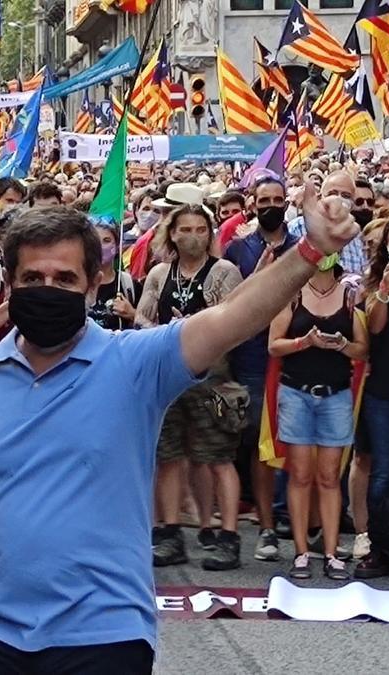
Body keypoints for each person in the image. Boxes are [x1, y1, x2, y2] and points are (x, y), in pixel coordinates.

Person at [0, 188, 360, 673]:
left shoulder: (135, 362)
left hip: (106, 633)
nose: (48, 287)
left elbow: (231, 318)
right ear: (11, 285)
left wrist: (311, 250)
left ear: (93, 285)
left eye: (65, 278)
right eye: (33, 277)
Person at [136, 204, 244, 570]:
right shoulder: (159, 274)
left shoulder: (224, 271)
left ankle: (227, 536)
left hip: (212, 379)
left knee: (216, 459)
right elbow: (142, 320)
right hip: (167, 378)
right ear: (173, 233)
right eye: (186, 230)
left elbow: (234, 321)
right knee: (167, 458)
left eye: (201, 229)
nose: (193, 236)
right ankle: (168, 534)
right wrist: (168, 331)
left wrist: (194, 327)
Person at [268, 251, 368, 581]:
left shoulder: (350, 296)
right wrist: (304, 342)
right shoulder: (292, 293)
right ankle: (301, 552)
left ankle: (331, 551)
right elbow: (274, 345)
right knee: (300, 475)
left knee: (329, 476)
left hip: (335, 395)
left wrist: (340, 345)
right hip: (296, 392)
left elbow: (361, 349)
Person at [223, 176, 298, 562]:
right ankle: (267, 525)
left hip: (300, 360)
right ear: (253, 205)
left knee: (298, 445)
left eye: (278, 199)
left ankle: (297, 522)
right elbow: (230, 304)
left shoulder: (302, 248)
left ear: (287, 203)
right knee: (259, 444)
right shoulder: (238, 249)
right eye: (264, 199)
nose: (272, 205)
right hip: (252, 360)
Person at [355, 216, 389, 578]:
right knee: (382, 473)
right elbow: (377, 326)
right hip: (383, 393)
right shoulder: (373, 287)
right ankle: (380, 548)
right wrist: (385, 289)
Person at [289, 171, 371, 275]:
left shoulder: (357, 237)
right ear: (320, 197)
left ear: (353, 203)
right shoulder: (298, 227)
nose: (338, 199)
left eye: (346, 195)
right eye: (333, 193)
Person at [89, 221, 137, 331]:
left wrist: (132, 314)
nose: (100, 246)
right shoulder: (76, 281)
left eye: (106, 240)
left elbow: (147, 326)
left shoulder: (129, 285)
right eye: (95, 241)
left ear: (117, 246)